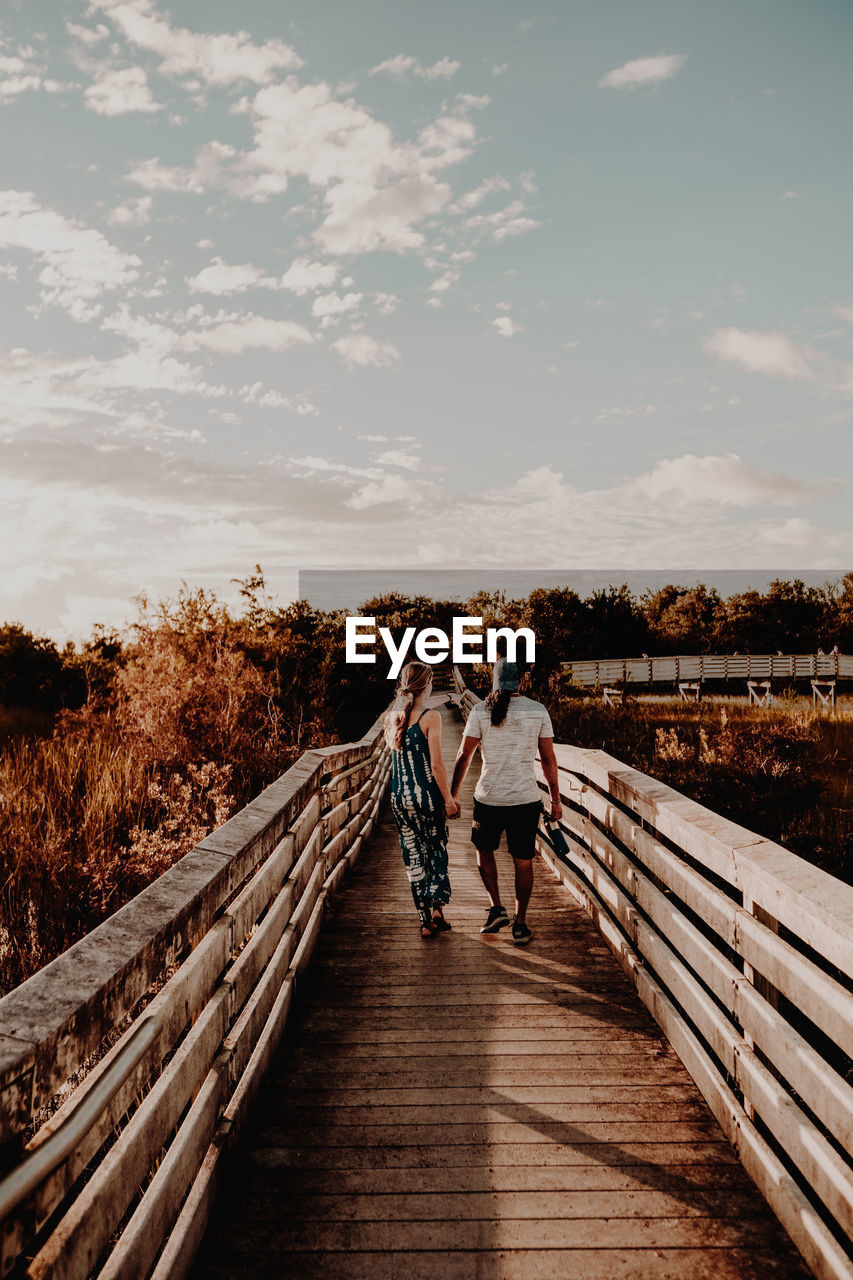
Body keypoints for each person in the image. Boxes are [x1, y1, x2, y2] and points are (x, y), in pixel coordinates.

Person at [451, 660, 562, 945]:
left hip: (488, 798)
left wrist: (453, 795)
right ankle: (521, 923)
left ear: (494, 681)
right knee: (523, 861)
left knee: (483, 850)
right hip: (526, 800)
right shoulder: (538, 711)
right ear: (520, 682)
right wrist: (556, 801)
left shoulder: (480, 711)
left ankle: (496, 907)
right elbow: (549, 759)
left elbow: (464, 756)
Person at [386, 661, 461, 939]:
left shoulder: (395, 714)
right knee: (436, 848)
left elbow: (416, 703)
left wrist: (449, 699)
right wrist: (450, 802)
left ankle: (425, 921)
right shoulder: (432, 718)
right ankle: (439, 909)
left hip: (400, 799)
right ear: (426, 685)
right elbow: (438, 766)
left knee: (413, 856)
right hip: (426, 798)